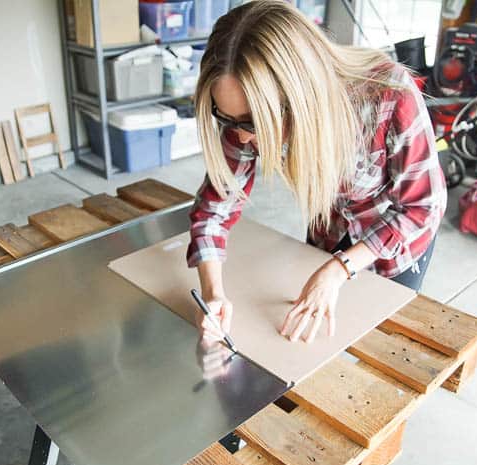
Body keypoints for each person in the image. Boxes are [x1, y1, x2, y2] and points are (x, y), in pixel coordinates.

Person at [187, 0, 447, 347]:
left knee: (381, 344)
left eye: (252, 122)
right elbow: (214, 212)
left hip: (396, 239)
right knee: (313, 343)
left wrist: (339, 269)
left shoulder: (389, 94)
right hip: (329, 228)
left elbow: (423, 207)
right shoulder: (240, 120)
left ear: (298, 96)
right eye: (226, 119)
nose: (242, 137)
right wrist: (213, 293)